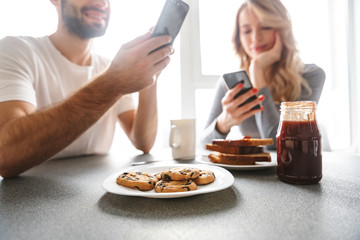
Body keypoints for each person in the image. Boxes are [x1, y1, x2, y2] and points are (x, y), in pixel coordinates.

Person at [0, 0, 174, 178]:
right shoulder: (17, 51)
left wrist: (150, 77)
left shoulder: (110, 67)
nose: (101, 3)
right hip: (30, 196)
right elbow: (5, 154)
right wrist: (113, 83)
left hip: (97, 191)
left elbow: (143, 142)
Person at [200, 0, 325, 149]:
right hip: (251, 170)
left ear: (282, 29)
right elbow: (201, 146)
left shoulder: (311, 75)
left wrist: (257, 69)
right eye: (247, 31)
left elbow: (276, 143)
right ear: (239, 38)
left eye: (265, 27)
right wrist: (222, 123)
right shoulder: (232, 83)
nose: (255, 38)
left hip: (294, 168)